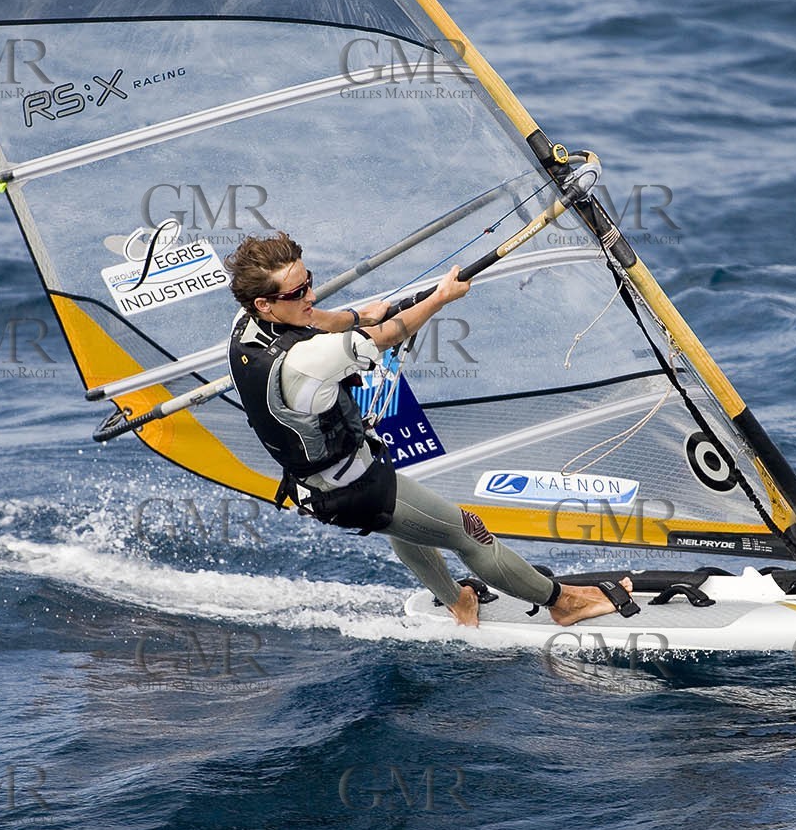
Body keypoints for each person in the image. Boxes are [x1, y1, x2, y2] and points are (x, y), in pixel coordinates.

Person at [223, 231, 635, 627]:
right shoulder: (306, 360)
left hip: (321, 487)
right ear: (264, 303)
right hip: (358, 488)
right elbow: (388, 334)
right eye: (297, 294)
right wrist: (440, 298)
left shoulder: (244, 327)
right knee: (468, 533)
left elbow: (316, 321)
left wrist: (354, 315)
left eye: (308, 282)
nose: (310, 296)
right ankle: (563, 603)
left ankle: (459, 602)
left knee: (403, 522)